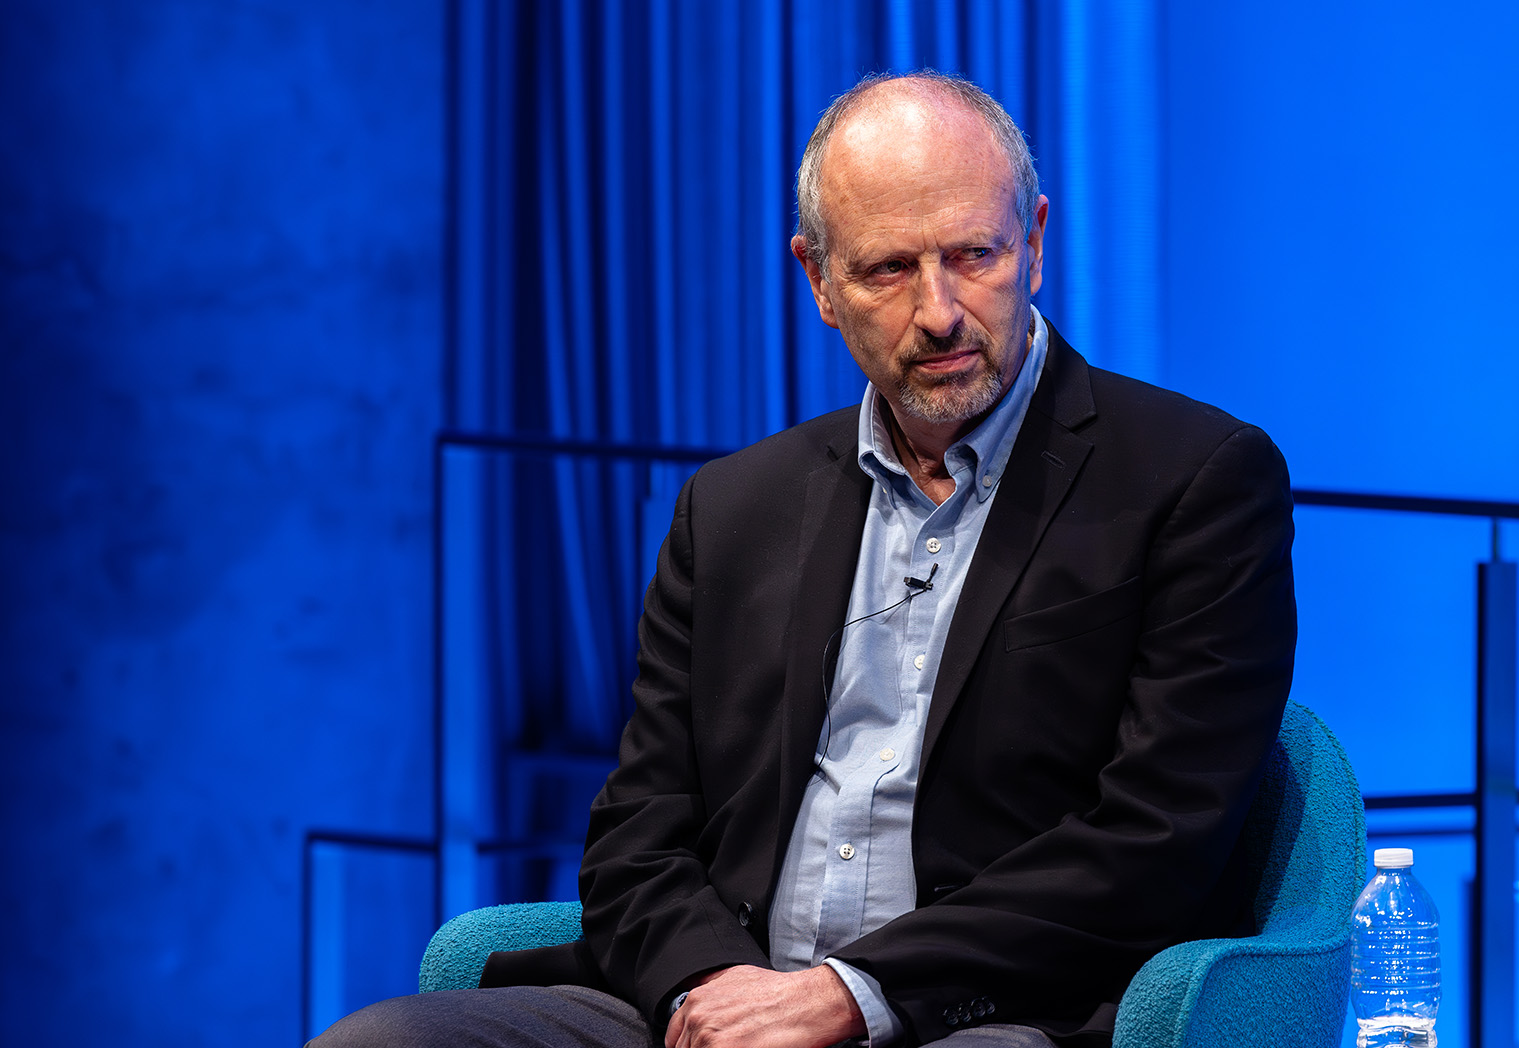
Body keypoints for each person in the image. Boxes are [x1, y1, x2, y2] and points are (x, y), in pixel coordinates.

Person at [314, 71, 1294, 1048]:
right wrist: (717, 992)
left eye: (975, 255)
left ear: (1035, 240)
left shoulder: (1192, 481)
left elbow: (1153, 843)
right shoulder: (735, 506)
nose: (941, 310)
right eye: (887, 270)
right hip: (719, 1001)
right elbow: (636, 834)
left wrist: (848, 994)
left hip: (989, 1010)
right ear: (819, 281)